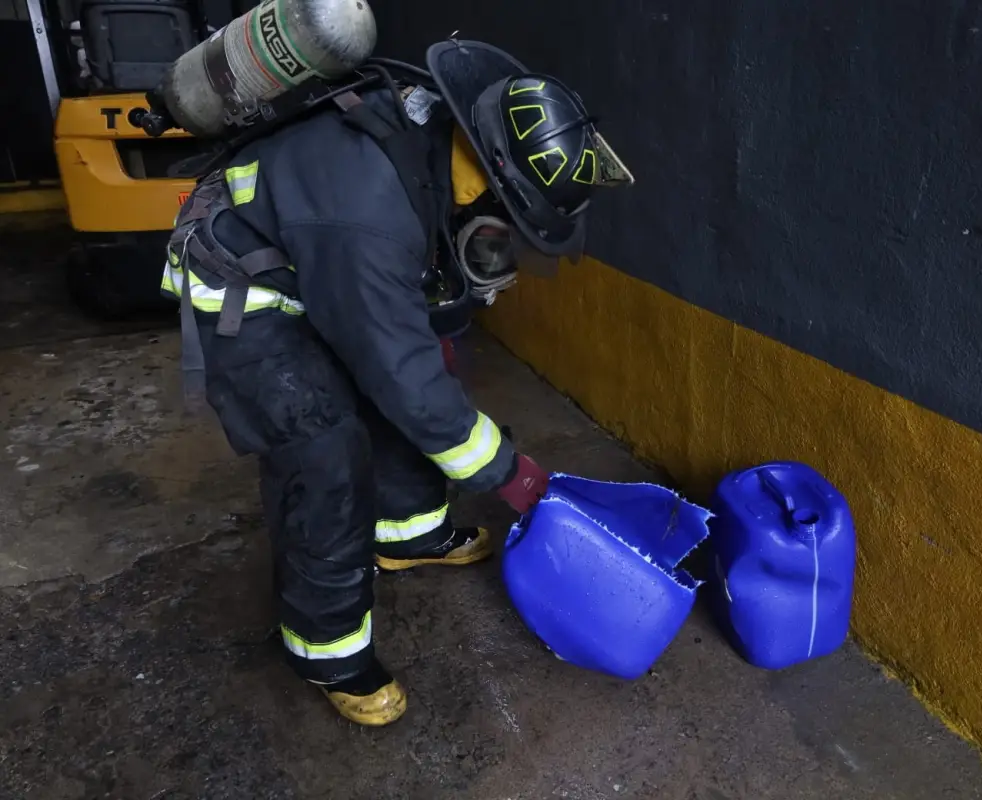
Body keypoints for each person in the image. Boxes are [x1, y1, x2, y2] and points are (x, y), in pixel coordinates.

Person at [158, 39, 630, 727]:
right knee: (322, 454)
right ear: (492, 185)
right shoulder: (367, 215)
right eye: (509, 225)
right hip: (242, 283)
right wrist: (509, 472)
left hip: (312, 250)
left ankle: (407, 532)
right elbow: (400, 374)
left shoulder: (438, 137)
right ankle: (328, 650)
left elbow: (404, 363)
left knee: (407, 385)